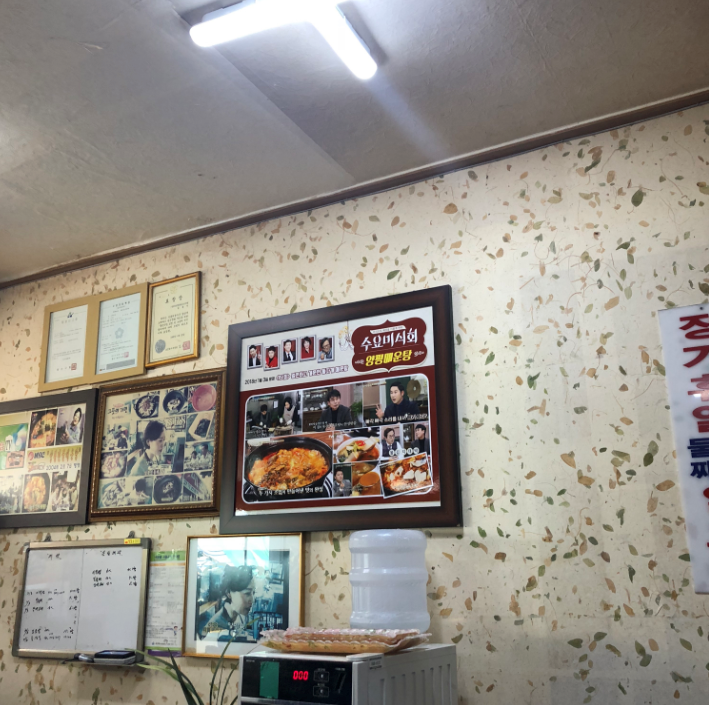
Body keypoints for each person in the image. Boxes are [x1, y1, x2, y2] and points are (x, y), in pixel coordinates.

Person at [199, 565, 255, 640]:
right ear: (228, 593)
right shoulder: (216, 627)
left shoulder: (237, 616)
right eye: (247, 593)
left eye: (253, 593)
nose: (252, 600)